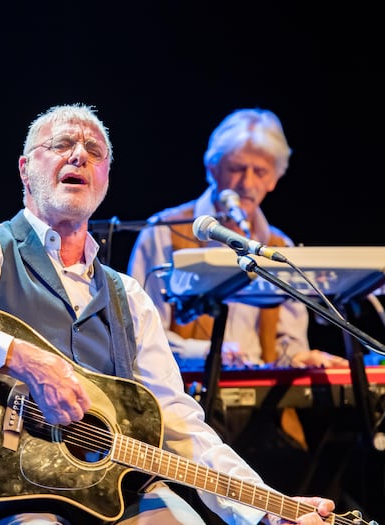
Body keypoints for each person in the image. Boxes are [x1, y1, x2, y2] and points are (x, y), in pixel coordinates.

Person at [0, 104, 336, 524]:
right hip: (11, 495)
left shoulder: (129, 296)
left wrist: (267, 508)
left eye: (93, 151)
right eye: (61, 145)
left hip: (116, 492)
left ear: (105, 178)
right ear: (25, 169)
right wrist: (22, 358)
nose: (78, 155)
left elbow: (178, 422)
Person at [128, 108, 347, 373]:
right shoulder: (163, 232)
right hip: (186, 395)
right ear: (212, 169)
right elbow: (139, 334)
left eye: (261, 172)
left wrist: (297, 357)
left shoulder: (279, 247)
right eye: (236, 169)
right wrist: (208, 352)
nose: (247, 183)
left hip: (263, 403)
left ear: (274, 180)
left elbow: (288, 343)